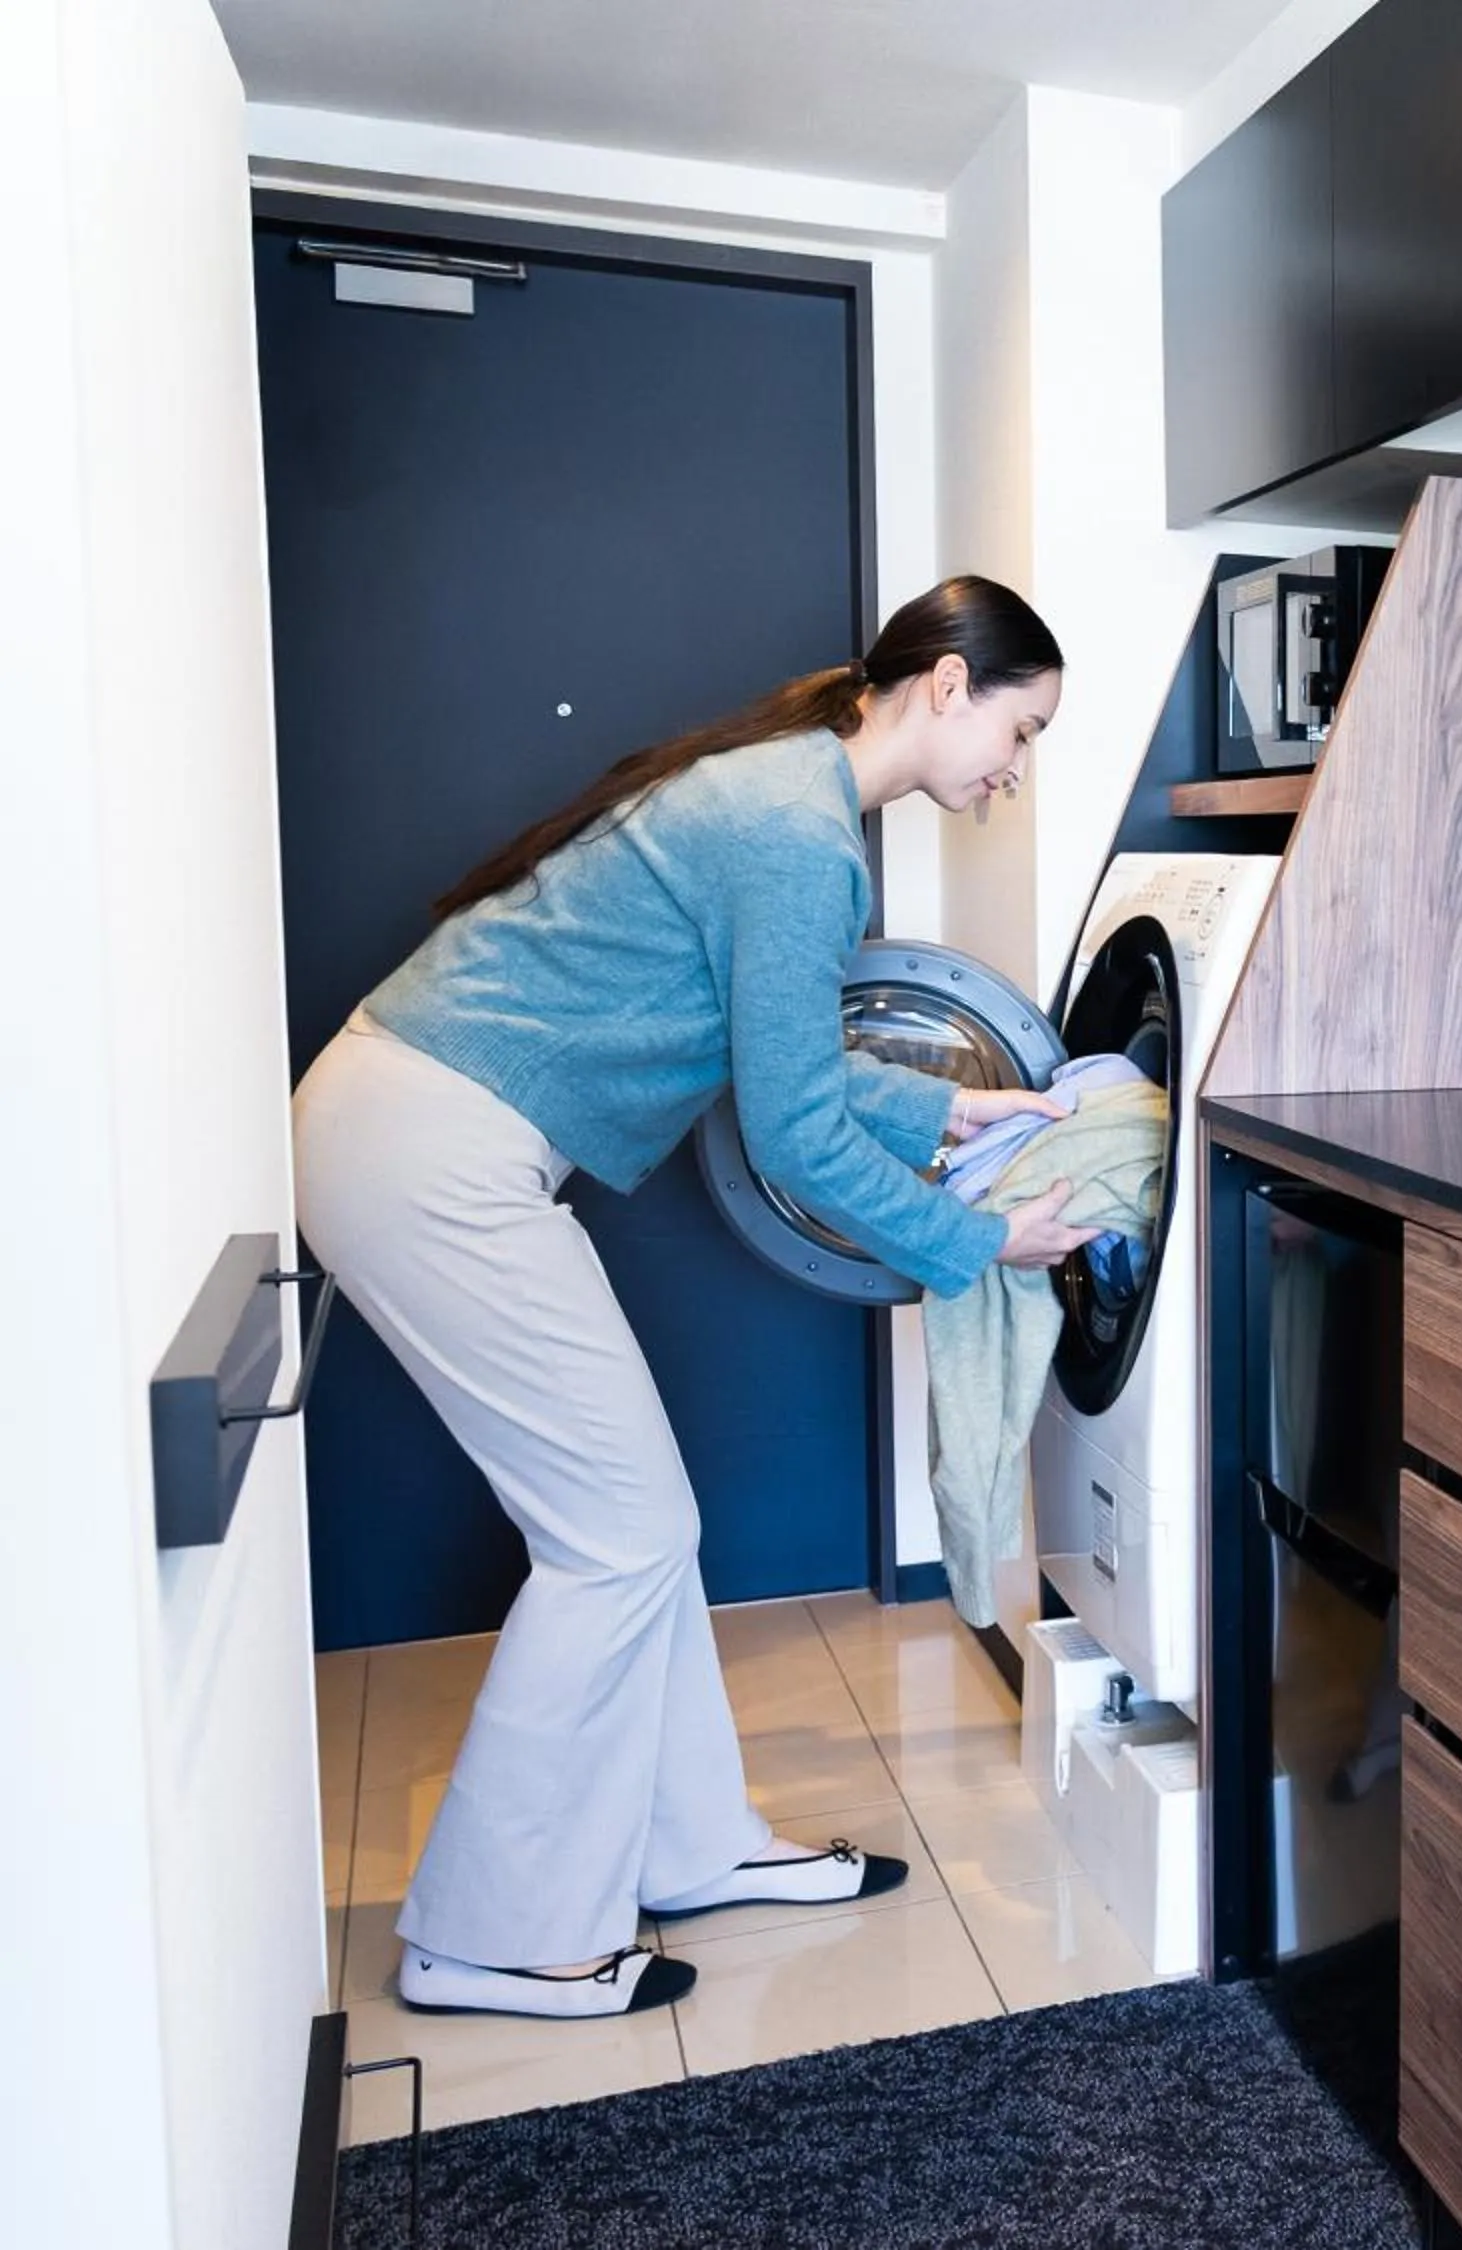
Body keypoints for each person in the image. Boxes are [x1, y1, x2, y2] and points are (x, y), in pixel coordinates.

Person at [292, 576, 1103, 2020]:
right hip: (431, 1148)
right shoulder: (797, 835)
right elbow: (788, 1129)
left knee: (636, 1521)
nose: (1013, 770)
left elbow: (763, 1051)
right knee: (623, 1532)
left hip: (418, 1126)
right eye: (1021, 728)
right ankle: (489, 1930)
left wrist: (941, 1115)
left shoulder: (783, 793)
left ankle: (687, 1839)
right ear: (943, 686)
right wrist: (979, 1245)